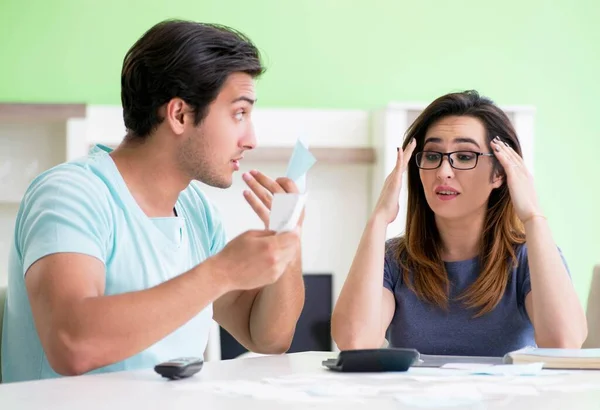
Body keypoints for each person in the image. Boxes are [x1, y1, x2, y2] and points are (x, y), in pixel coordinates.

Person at [1, 19, 305, 383]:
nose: (251, 139)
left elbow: (266, 337)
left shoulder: (197, 212)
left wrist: (287, 239)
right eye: (239, 113)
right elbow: (72, 344)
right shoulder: (69, 194)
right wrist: (221, 271)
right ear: (179, 114)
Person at [331, 90, 587, 356]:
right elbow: (354, 342)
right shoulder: (395, 260)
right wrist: (378, 219)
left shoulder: (526, 258)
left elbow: (564, 343)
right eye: (432, 155)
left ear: (499, 173)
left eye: (465, 156)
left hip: (508, 399)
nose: (443, 172)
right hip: (414, 398)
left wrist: (533, 215)